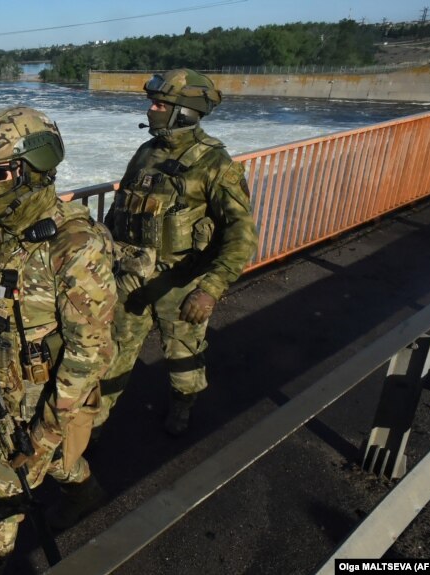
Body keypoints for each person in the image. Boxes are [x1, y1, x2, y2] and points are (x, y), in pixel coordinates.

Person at [0, 106, 118, 574]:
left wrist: (42, 434)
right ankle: (85, 492)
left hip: (41, 408)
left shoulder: (74, 245)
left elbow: (89, 353)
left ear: (30, 168)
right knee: (52, 465)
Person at [97, 68, 258, 437]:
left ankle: (183, 407)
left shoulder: (215, 164)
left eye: (160, 104)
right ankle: (94, 424)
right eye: (154, 102)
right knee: (113, 353)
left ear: (184, 111)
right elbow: (120, 210)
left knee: (183, 356)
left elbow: (242, 234)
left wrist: (211, 288)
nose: (151, 110)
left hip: (180, 284)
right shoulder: (146, 152)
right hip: (131, 279)